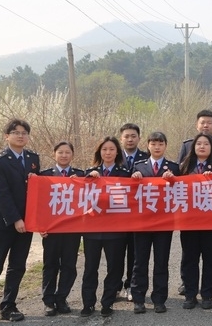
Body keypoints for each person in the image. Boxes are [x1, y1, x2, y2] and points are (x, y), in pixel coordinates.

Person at [0, 118, 40, 326]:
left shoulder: (33, 158)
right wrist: (15, 219)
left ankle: (8, 307)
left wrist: (34, 220)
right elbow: (1, 194)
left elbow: (38, 190)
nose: (20, 136)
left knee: (17, 266)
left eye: (24, 133)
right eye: (16, 132)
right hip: (4, 222)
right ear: (7, 136)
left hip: (27, 223)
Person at [176, 109, 212, 295]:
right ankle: (189, 290)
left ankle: (208, 291)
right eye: (198, 144)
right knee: (189, 256)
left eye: (206, 144)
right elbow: (177, 182)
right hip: (189, 218)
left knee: (211, 256)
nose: (202, 146)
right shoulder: (185, 163)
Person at [80, 137, 131, 318]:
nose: (108, 152)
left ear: (117, 152)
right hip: (92, 230)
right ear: (99, 152)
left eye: (111, 149)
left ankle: (107, 302)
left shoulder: (125, 174)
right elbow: (78, 197)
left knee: (114, 268)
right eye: (104, 149)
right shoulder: (88, 173)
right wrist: (87, 180)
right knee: (90, 268)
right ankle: (88, 304)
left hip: (116, 231)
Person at [130, 131, 180, 315]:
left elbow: (184, 191)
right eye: (153, 144)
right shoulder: (138, 166)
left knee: (161, 262)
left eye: (160, 144)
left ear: (165, 146)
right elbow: (128, 192)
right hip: (142, 222)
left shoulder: (173, 167)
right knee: (140, 262)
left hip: (164, 223)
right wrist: (134, 178)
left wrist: (173, 180)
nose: (157, 147)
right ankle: (138, 299)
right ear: (148, 145)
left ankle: (159, 299)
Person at [39, 141, 84, 317]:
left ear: (72, 155)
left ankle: (61, 298)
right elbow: (38, 203)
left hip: (73, 230)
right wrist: (40, 226)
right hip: (51, 230)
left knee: (69, 265)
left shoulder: (80, 175)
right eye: (60, 152)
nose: (64, 155)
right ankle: (48, 301)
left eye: (67, 152)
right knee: (50, 264)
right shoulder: (44, 176)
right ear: (54, 154)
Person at [118, 123, 148, 302]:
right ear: (121, 138)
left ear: (139, 138)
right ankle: (115, 286)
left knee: (135, 252)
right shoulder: (113, 155)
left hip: (139, 214)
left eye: (133, 136)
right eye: (126, 136)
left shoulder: (146, 158)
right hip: (117, 213)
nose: (130, 139)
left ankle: (131, 284)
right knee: (116, 252)